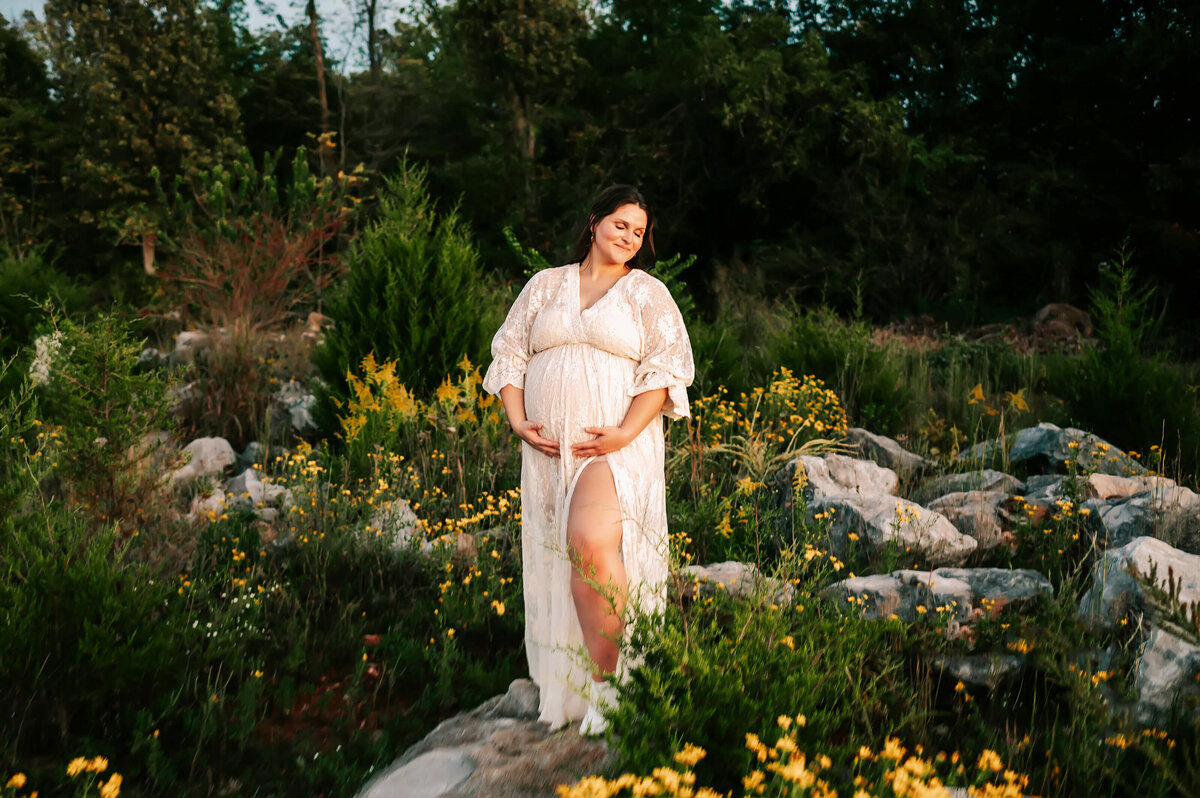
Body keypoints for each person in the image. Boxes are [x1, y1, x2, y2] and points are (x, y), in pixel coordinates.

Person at [482, 186, 694, 734]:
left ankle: (611, 689)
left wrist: (624, 431)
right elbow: (508, 352)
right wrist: (516, 416)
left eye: (639, 232)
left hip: (615, 445)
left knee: (590, 546)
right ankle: (576, 685)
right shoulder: (544, 285)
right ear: (595, 220)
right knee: (569, 562)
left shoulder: (647, 293)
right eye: (621, 224)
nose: (628, 237)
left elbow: (667, 368)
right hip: (550, 449)